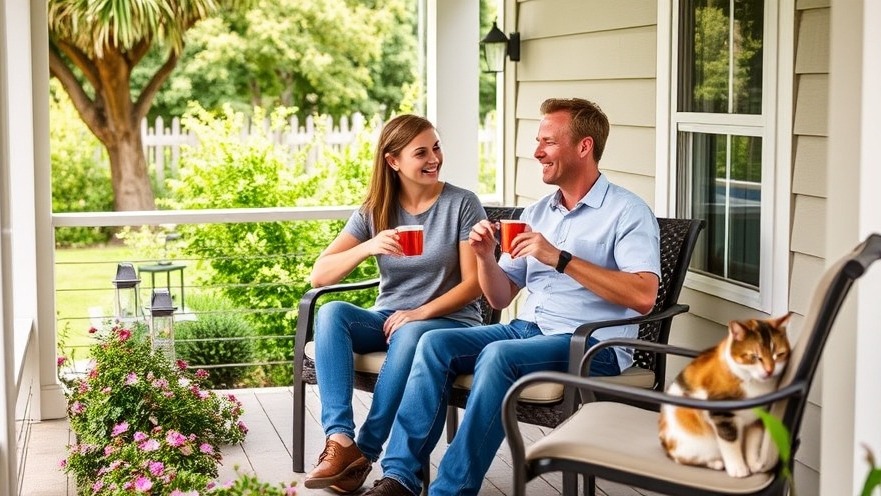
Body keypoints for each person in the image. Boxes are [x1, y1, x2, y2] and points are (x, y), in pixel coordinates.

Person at [362, 98, 661, 496]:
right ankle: (399, 477)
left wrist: (559, 257)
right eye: (538, 141)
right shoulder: (537, 212)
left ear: (584, 147)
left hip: (590, 345)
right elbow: (500, 297)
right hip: (527, 330)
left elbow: (643, 296)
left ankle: (450, 490)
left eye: (548, 142)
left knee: (497, 356)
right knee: (434, 343)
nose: (537, 151)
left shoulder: (626, 212)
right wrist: (486, 258)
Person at [304, 114, 487, 493]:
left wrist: (419, 312)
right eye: (421, 152)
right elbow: (320, 275)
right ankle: (339, 440)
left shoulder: (462, 203)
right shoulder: (376, 209)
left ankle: (365, 451)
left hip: (450, 322)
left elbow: (474, 285)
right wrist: (368, 246)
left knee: (409, 333)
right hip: (391, 316)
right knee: (331, 311)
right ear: (393, 161)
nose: (434, 157)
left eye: (436, 147)